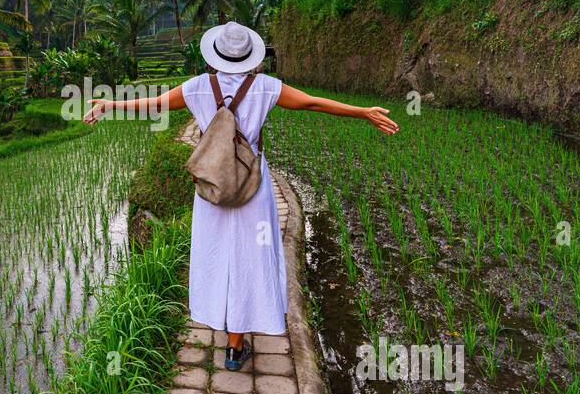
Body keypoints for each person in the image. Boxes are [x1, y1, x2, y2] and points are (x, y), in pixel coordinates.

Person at [84, 21, 398, 370]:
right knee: (251, 259)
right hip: (253, 189)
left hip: (212, 189)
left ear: (214, 56)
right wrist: (362, 112)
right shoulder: (265, 87)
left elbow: (154, 104)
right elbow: (311, 104)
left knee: (216, 255)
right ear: (250, 57)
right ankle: (235, 346)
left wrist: (109, 105)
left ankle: (222, 325)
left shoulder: (198, 87)